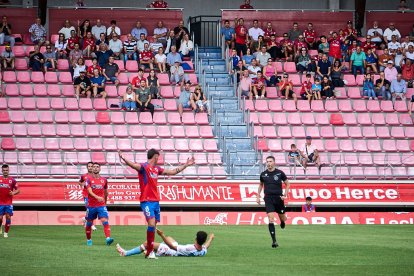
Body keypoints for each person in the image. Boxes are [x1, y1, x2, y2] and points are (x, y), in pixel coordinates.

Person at [118, 149, 195, 259]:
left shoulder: (156, 169)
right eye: (158, 157)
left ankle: (149, 252)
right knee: (151, 224)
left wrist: (186, 165)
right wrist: (124, 158)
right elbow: (134, 165)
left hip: (155, 201)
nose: (159, 159)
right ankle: (150, 252)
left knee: (153, 226)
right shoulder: (144, 167)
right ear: (155, 156)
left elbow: (172, 172)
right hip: (146, 201)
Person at [256, 156, 291, 248]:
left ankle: (282, 221)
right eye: (267, 161)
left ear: (274, 162)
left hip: (279, 198)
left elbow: (287, 184)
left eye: (270, 161)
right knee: (271, 219)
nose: (268, 163)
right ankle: (274, 241)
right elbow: (260, 185)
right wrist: (258, 195)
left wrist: (285, 194)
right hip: (268, 198)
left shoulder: (280, 173)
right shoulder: (263, 174)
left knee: (283, 217)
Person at [117, 228, 214, 258]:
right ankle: (152, 252)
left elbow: (171, 247)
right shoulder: (203, 251)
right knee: (169, 238)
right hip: (177, 247)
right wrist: (211, 238)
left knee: (147, 243)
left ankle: (125, 253)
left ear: (196, 238)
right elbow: (206, 246)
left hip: (172, 251)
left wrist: (161, 235)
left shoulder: (189, 249)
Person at [84, 163, 114, 246]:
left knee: (105, 220)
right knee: (89, 223)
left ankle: (108, 238)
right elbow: (89, 191)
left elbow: (105, 192)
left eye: (97, 167)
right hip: (91, 205)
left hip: (101, 205)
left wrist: (105, 203)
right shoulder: (88, 180)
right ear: (92, 169)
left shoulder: (104, 180)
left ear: (100, 169)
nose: (95, 168)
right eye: (94, 167)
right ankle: (89, 239)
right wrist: (97, 197)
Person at [0, 164, 19, 238]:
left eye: (6, 170)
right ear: (2, 171)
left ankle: (6, 233)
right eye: (4, 170)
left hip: (8, 203)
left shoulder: (12, 180)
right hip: (0, 203)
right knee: (0, 218)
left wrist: (13, 193)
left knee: (8, 217)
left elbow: (18, 190)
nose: (5, 171)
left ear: (8, 171)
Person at [78, 162, 97, 231]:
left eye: (91, 166)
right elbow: (80, 182)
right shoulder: (84, 176)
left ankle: (85, 219)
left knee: (93, 210)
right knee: (89, 209)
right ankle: (91, 224)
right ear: (87, 167)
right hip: (86, 195)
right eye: (89, 166)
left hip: (93, 196)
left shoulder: (95, 176)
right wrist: (82, 184)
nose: (90, 167)